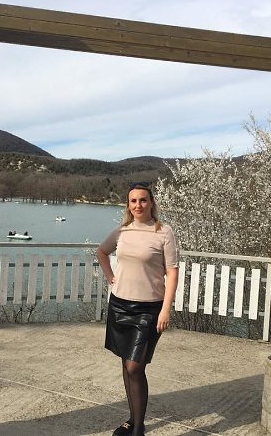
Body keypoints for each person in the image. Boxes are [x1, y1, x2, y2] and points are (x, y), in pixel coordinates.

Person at [96, 182, 179, 436]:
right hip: (120, 305)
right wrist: (111, 277)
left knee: (135, 367)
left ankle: (138, 430)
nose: (138, 205)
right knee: (126, 364)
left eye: (143, 200)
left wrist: (166, 309)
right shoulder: (122, 231)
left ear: (151, 203)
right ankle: (133, 420)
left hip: (149, 309)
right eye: (133, 201)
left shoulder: (163, 232)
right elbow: (101, 252)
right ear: (128, 205)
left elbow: (172, 272)